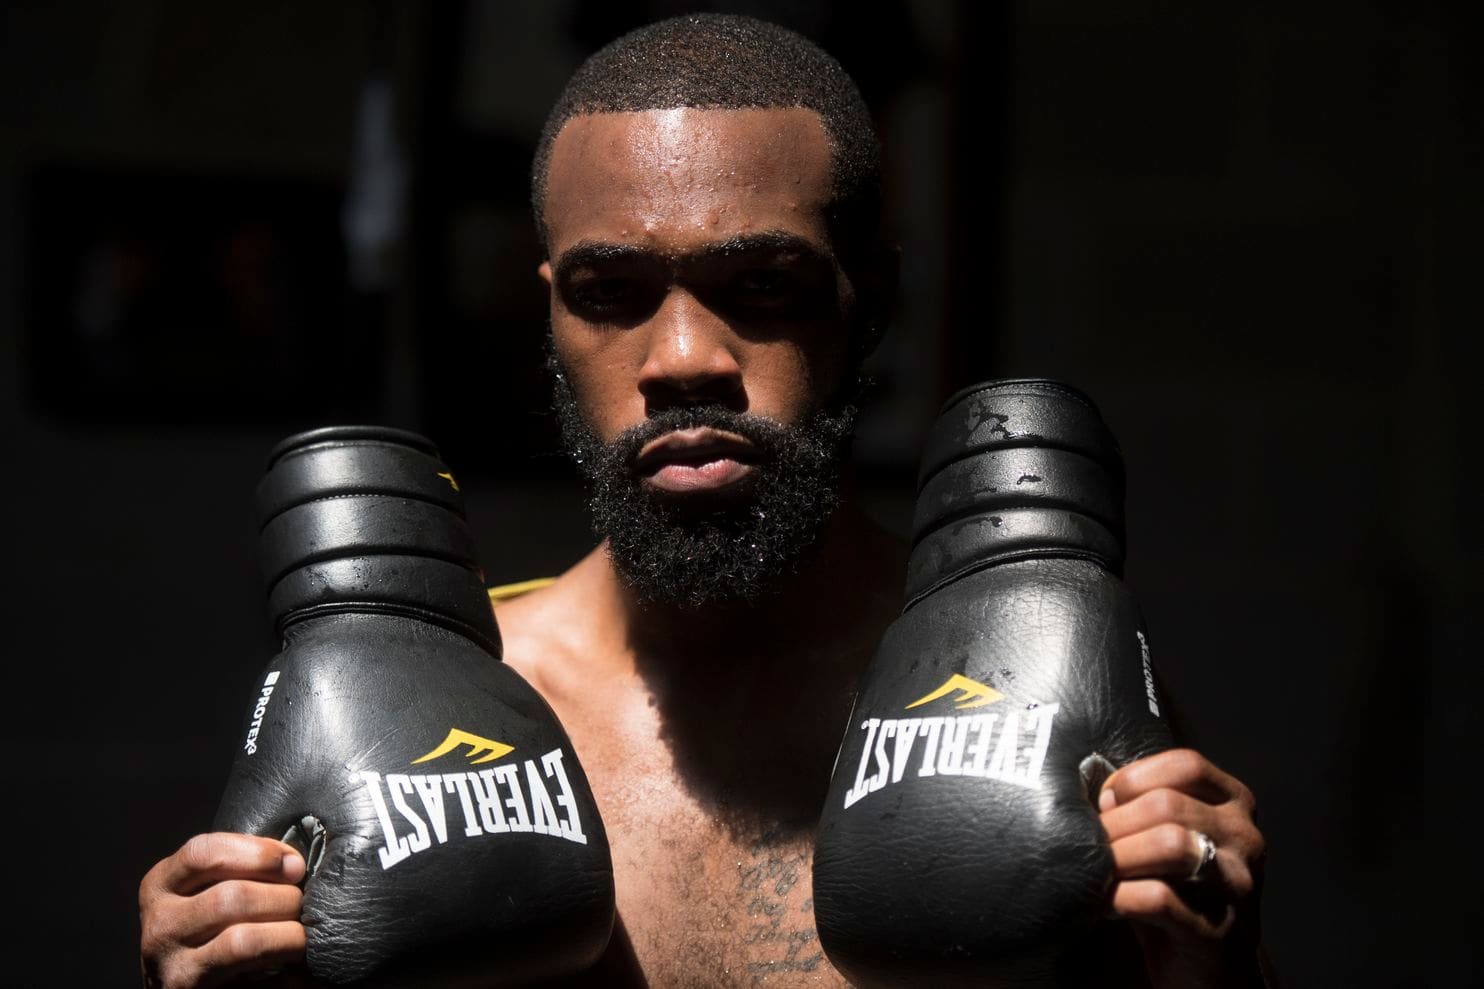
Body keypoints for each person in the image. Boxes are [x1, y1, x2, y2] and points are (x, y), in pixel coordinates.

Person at [139, 14, 1267, 988]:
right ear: (552, 316)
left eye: (761, 284)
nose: (683, 357)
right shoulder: (420, 719)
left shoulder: (1035, 690)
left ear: (867, 300)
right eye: (611, 292)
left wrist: (1213, 973)